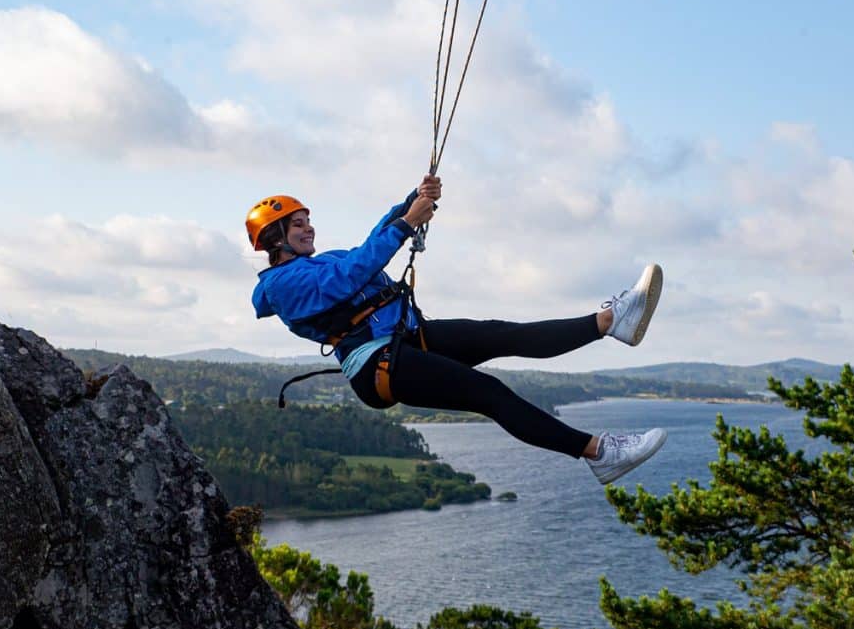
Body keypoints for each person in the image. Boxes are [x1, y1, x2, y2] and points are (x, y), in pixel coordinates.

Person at [247, 176, 667, 484]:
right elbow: (351, 274)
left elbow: (366, 247)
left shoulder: (321, 261)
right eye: (297, 224)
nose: (309, 228)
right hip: (378, 364)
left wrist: (412, 201)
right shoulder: (282, 286)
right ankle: (599, 452)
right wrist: (407, 224)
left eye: (307, 221)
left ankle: (611, 322)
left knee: (501, 334)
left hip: (406, 339)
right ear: (275, 238)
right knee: (489, 393)